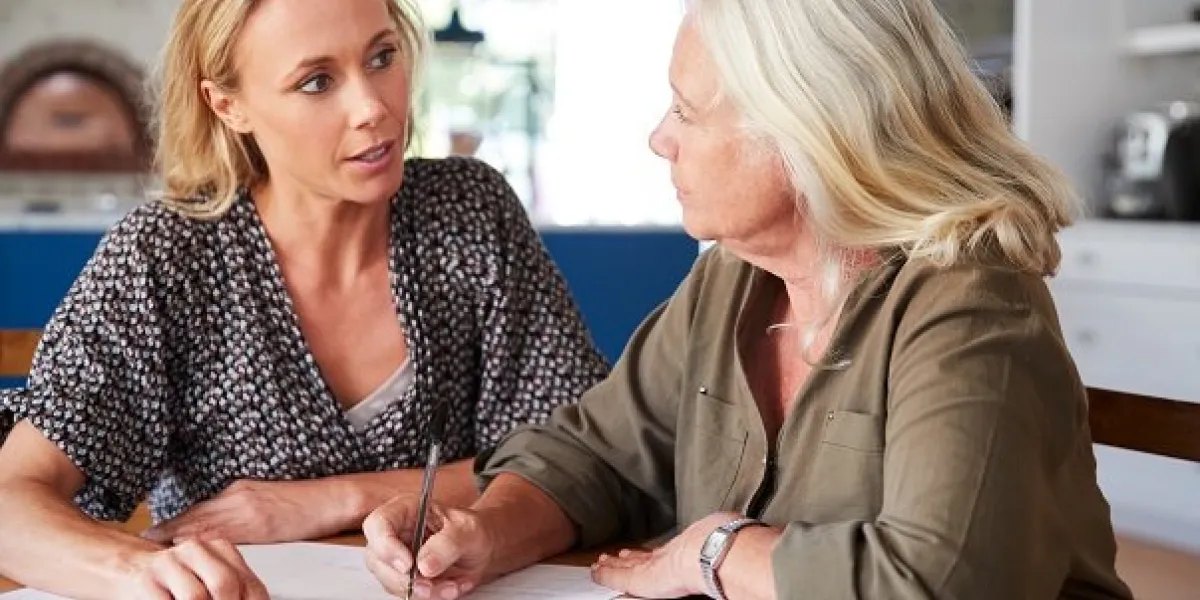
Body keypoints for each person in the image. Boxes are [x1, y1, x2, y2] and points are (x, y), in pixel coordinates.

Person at [361, 1, 1135, 599]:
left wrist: (718, 550)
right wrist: (485, 531)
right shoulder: (731, 276)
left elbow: (938, 581)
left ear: (808, 131)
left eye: (688, 112)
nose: (660, 139)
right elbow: (597, 455)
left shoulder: (970, 300)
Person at [0, 0, 608, 597]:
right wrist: (138, 575)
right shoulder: (165, 257)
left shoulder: (469, 212)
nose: (373, 107)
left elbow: (588, 456)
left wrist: (323, 502)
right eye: (317, 81)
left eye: (382, 56)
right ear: (228, 104)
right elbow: (11, 498)